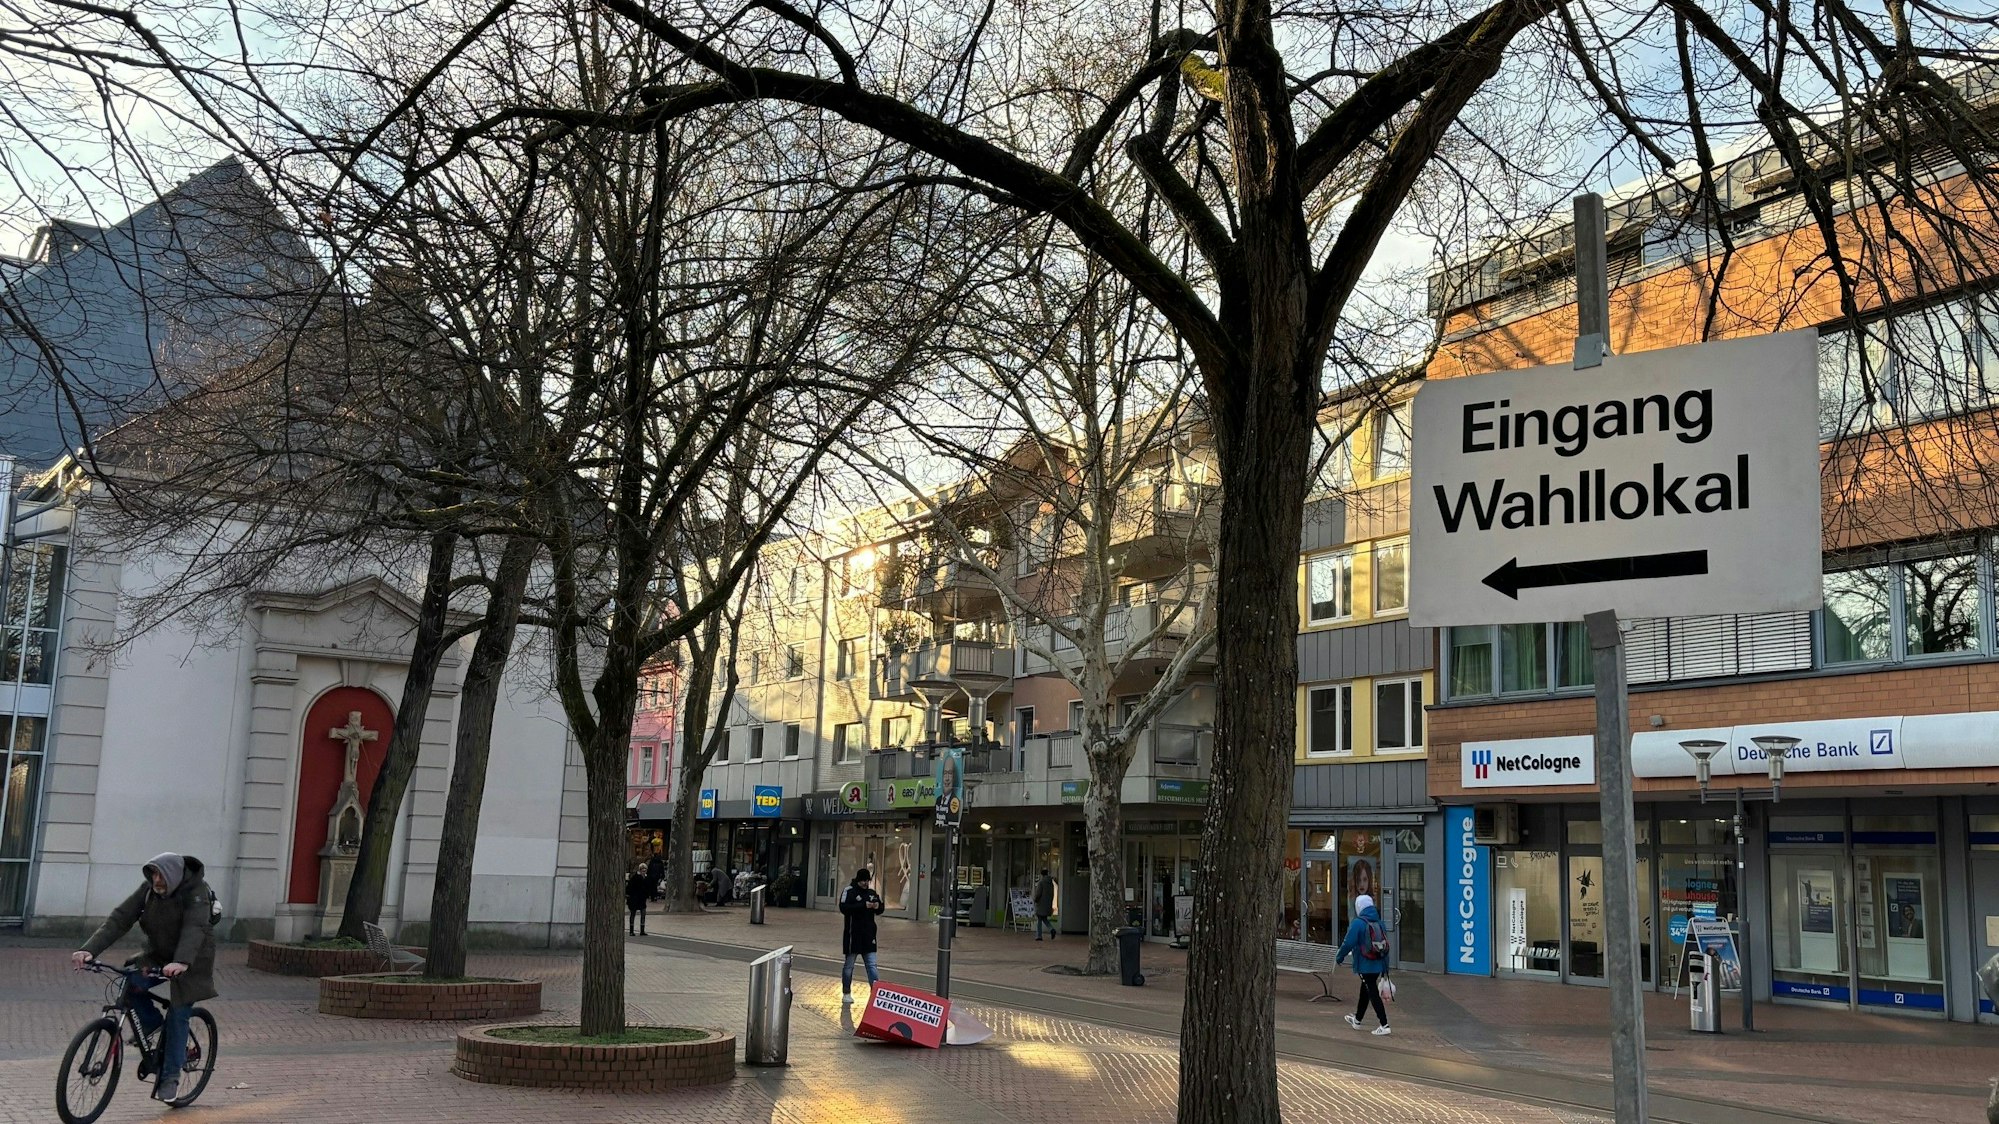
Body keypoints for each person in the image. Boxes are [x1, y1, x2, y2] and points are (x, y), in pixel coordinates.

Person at [72, 853, 218, 1104]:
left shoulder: (196, 892)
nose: (156, 880)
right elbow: (120, 918)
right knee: (131, 984)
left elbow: (194, 928)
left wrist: (181, 961)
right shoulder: (149, 889)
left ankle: (170, 1077)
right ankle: (153, 1027)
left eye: (160, 875)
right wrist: (89, 949)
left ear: (173, 875)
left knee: (179, 1012)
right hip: (159, 955)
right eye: (152, 874)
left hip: (191, 959)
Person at [1334, 892, 1391, 1036]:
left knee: (1371, 991)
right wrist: (1385, 967)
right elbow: (1385, 945)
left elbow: (1348, 943)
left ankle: (1384, 1024)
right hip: (1378, 963)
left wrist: (1339, 957)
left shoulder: (1358, 923)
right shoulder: (1380, 923)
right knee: (1365, 990)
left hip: (1365, 963)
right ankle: (1357, 1020)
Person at [839, 868, 885, 1005]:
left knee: (872, 965)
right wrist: (862, 905)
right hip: (853, 935)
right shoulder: (849, 891)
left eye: (867, 880)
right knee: (849, 966)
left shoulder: (871, 893)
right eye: (864, 880)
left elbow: (881, 908)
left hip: (868, 935)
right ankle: (846, 992)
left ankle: (875, 994)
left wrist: (877, 906)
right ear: (859, 880)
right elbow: (843, 908)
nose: (866, 883)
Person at [1032, 869, 1057, 941]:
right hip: (1048, 903)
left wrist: (1035, 900)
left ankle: (1039, 936)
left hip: (1041, 903)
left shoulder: (1041, 882)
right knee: (1044, 918)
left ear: (1042, 875)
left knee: (1039, 919)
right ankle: (1051, 929)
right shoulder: (1051, 883)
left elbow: (1038, 894)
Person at [626, 864, 651, 936]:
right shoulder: (635, 878)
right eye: (643, 870)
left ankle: (642, 930)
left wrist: (647, 894)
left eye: (645, 870)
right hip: (634, 898)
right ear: (640, 870)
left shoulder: (646, 878)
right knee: (633, 914)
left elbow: (648, 887)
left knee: (643, 913)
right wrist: (629, 896)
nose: (644, 872)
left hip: (642, 899)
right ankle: (631, 930)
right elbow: (630, 887)